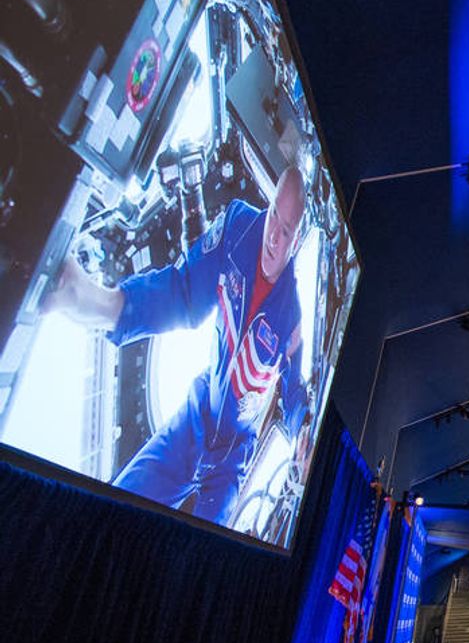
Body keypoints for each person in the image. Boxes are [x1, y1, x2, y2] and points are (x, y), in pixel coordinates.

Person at [46, 166, 312, 524]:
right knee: (111, 507)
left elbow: (292, 390)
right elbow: (184, 293)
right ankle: (89, 300)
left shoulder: (290, 315)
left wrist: (304, 433)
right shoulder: (238, 226)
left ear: (296, 240)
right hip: (196, 415)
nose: (273, 239)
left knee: (201, 550)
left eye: (286, 231)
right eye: (273, 217)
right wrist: (108, 306)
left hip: (232, 452)